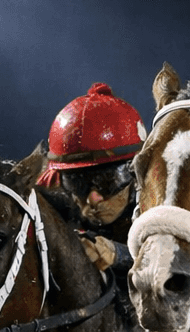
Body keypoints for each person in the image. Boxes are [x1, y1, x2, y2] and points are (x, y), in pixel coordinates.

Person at [36, 83, 145, 250]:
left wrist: (118, 256)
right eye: (77, 183)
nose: (92, 199)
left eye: (108, 180)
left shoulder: (163, 203)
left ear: (136, 175)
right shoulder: (45, 195)